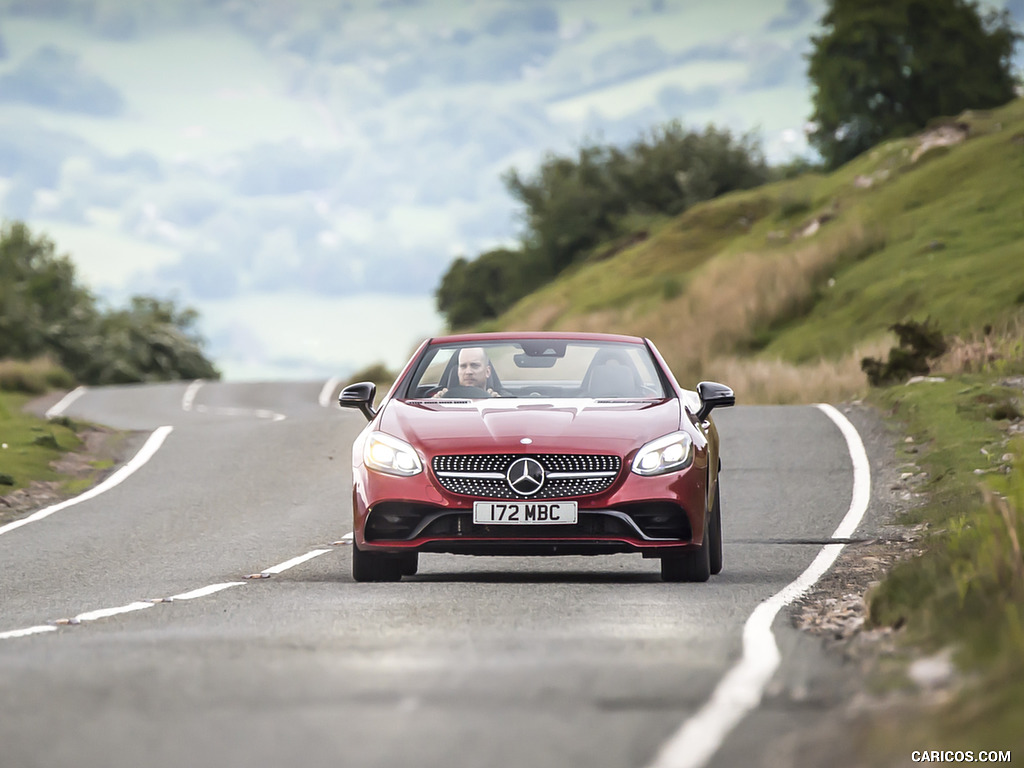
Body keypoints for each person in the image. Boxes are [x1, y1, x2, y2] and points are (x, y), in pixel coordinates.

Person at [433, 346, 501, 398]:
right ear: (458, 371)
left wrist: (499, 404)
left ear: (487, 372)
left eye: (474, 365)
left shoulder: (501, 401)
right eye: (463, 366)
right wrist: (435, 402)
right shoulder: (440, 400)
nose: (468, 372)